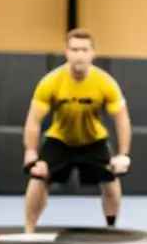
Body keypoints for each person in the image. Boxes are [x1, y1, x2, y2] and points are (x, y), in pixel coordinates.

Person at [22, 28, 132, 233]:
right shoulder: (51, 82)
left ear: (93, 53)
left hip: (93, 141)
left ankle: (111, 228)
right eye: (74, 49)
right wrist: (31, 151)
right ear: (67, 53)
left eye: (84, 50)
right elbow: (34, 120)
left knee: (111, 182)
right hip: (60, 140)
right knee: (38, 178)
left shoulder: (104, 82)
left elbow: (122, 120)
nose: (79, 55)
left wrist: (123, 155)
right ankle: (29, 230)